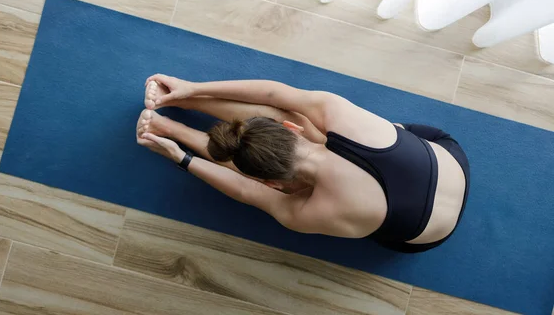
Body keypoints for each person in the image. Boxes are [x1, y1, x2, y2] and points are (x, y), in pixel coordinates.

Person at [136, 75, 470, 253]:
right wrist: (190, 91)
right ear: (291, 129)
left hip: (419, 234)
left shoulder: (310, 210)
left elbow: (245, 188)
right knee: (293, 122)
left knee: (289, 133)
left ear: (274, 184)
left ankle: (173, 122)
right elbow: (272, 96)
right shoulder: (336, 113)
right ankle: (177, 111)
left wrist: (181, 154)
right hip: (448, 160)